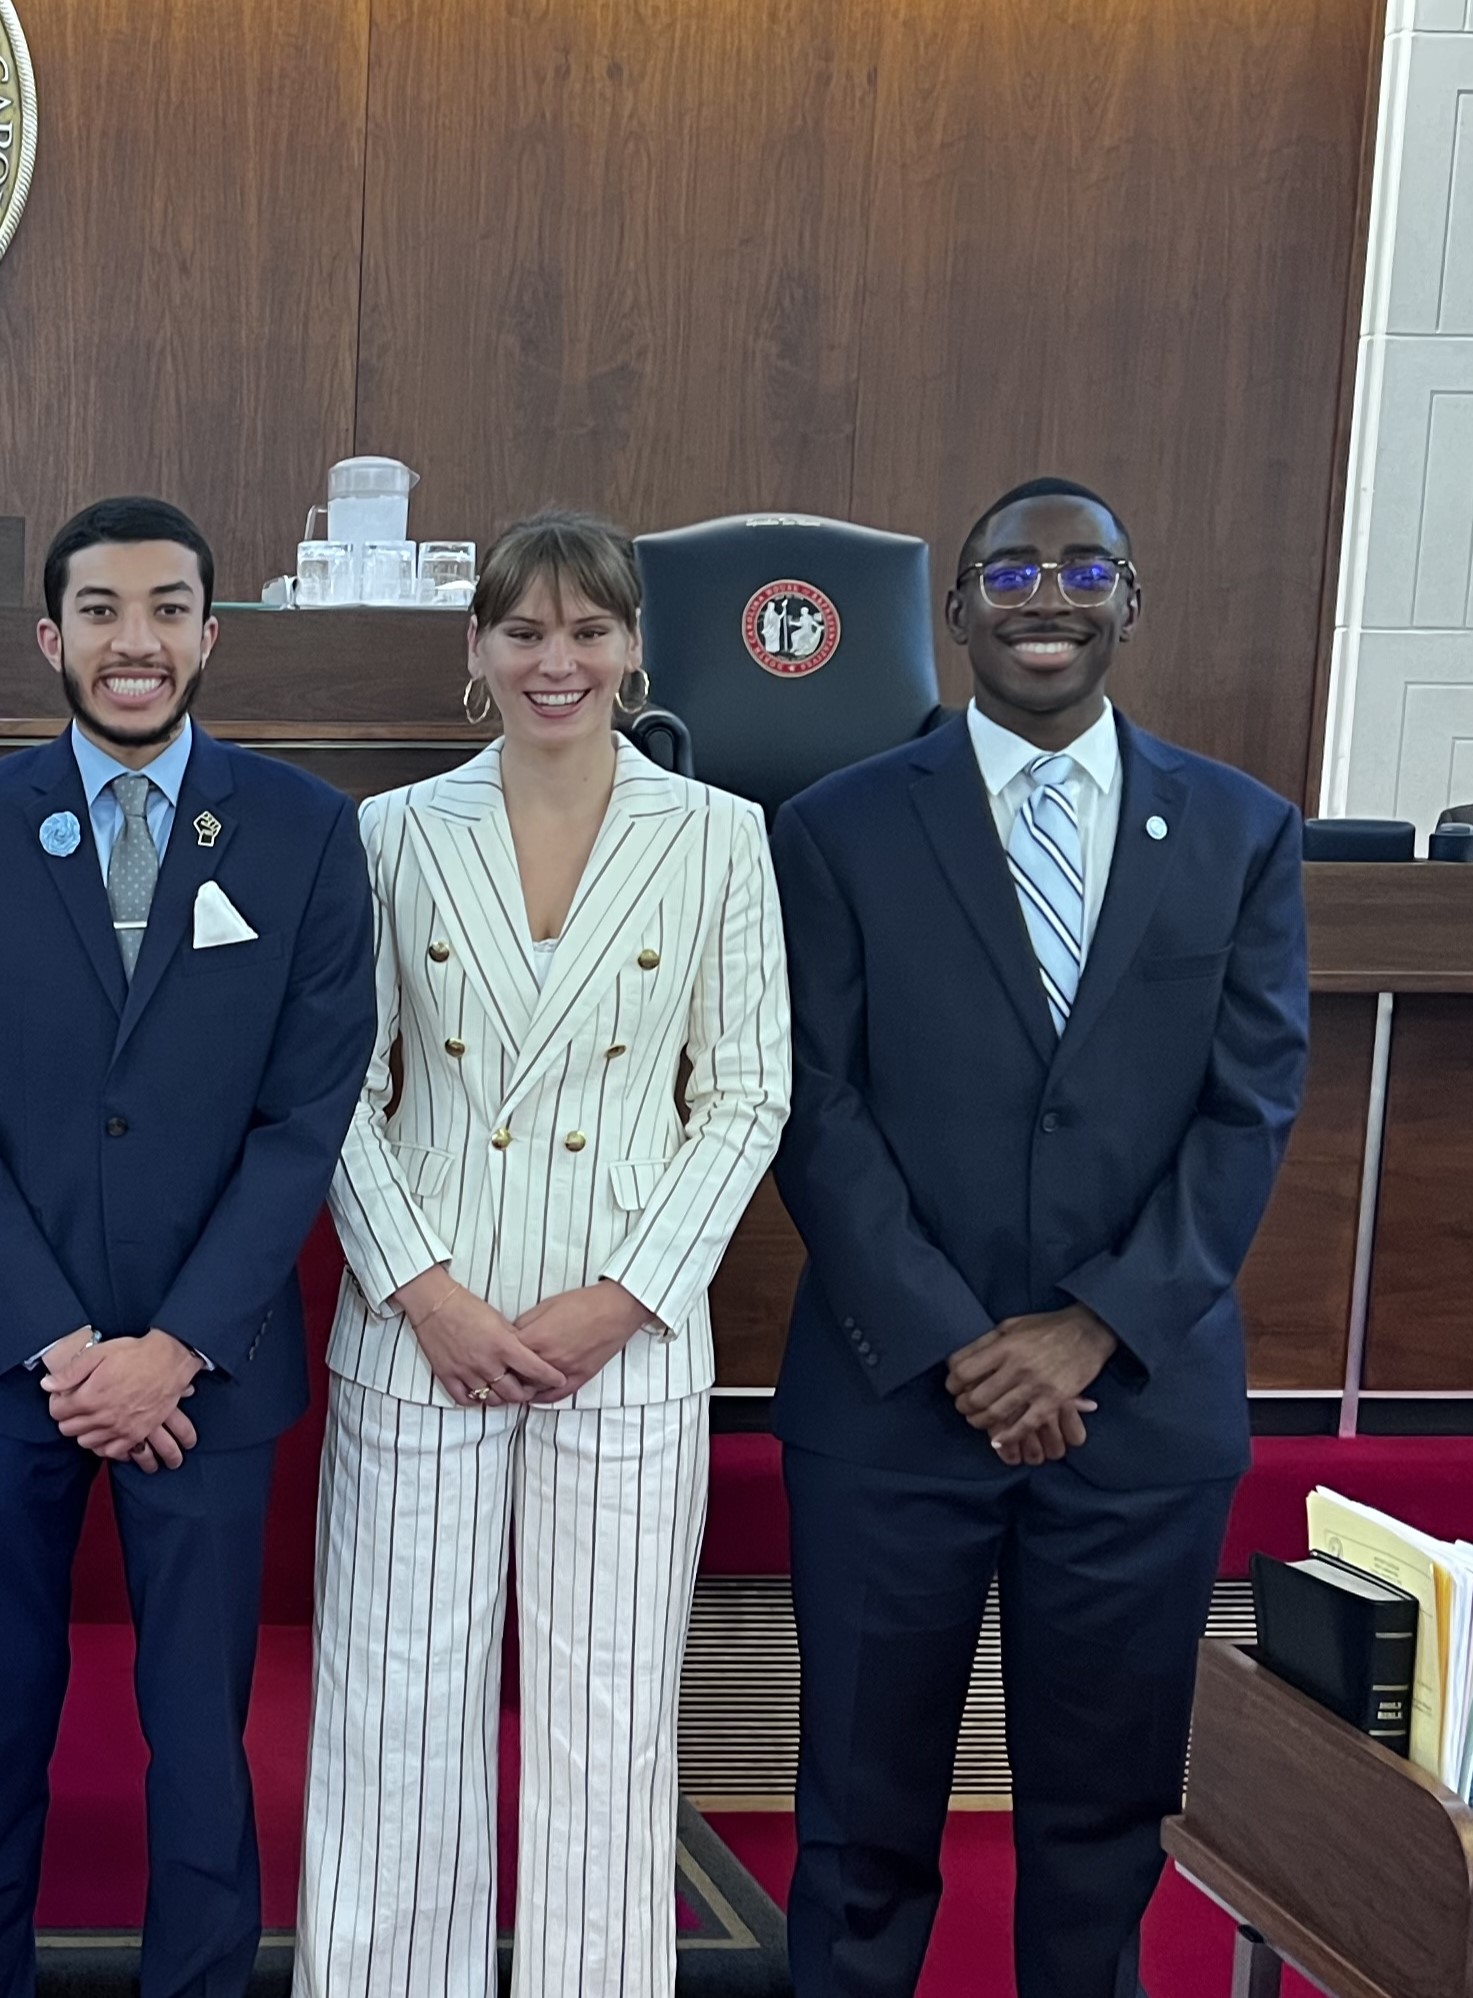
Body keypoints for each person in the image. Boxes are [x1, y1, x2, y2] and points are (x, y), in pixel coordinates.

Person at [771, 477, 1308, 1997]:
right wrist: (956, 1337)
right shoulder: (833, 828)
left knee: (1097, 1829)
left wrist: (1091, 1324)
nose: (1045, 595)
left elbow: (1247, 1108)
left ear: (1130, 599)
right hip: (891, 1405)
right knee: (858, 1829)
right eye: (1009, 567)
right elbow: (810, 1106)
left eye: (1083, 567)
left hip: (1134, 1409)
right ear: (955, 607)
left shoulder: (1239, 831)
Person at [298, 510, 790, 1996]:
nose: (553, 660)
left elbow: (748, 1087)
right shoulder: (389, 832)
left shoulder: (720, 836)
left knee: (606, 1726)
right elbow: (335, 1085)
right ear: (475, 650)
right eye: (522, 631)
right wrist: (424, 1292)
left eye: (585, 630)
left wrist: (621, 1298)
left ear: (635, 646)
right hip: (416, 1340)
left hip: (621, 1347)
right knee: (395, 1720)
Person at [0, 496, 371, 1998]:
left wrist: (170, 1346)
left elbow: (305, 1118)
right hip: (11, 1371)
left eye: (166, 607)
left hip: (206, 1377)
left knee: (197, 1729)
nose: (133, 640)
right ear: (51, 637)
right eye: (99, 610)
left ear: (210, 634)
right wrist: (63, 1343)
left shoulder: (300, 830)